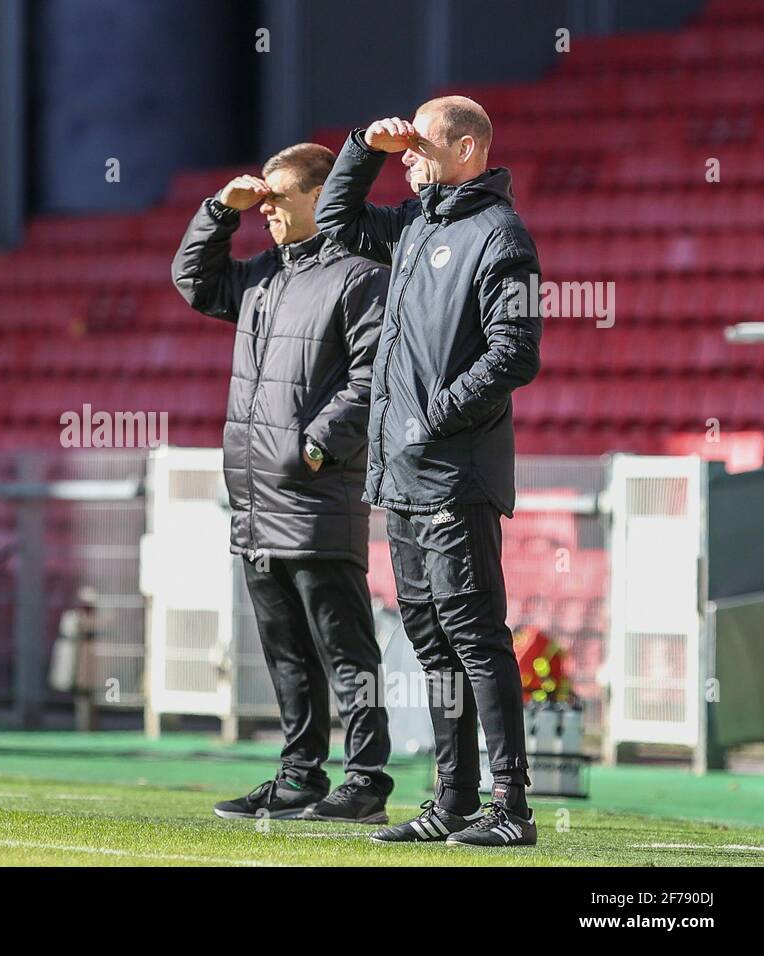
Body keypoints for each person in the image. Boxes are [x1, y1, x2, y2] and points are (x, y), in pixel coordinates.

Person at [316, 96, 542, 846]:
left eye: (421, 145)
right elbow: (335, 222)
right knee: (432, 641)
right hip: (403, 478)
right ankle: (452, 798)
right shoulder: (415, 226)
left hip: (454, 475)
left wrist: (431, 418)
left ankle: (510, 807)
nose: (408, 156)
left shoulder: (500, 235)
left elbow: (516, 352)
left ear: (469, 150)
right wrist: (362, 146)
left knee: (475, 636)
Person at [173, 143, 394, 823]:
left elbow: (371, 378)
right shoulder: (264, 275)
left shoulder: (359, 276)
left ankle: (365, 782)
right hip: (254, 500)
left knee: (343, 645)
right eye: (261, 199)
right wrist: (218, 211)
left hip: (315, 495)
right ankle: (299, 774)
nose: (265, 208)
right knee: (286, 650)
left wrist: (317, 449)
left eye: (278, 196)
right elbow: (194, 282)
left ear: (319, 196)